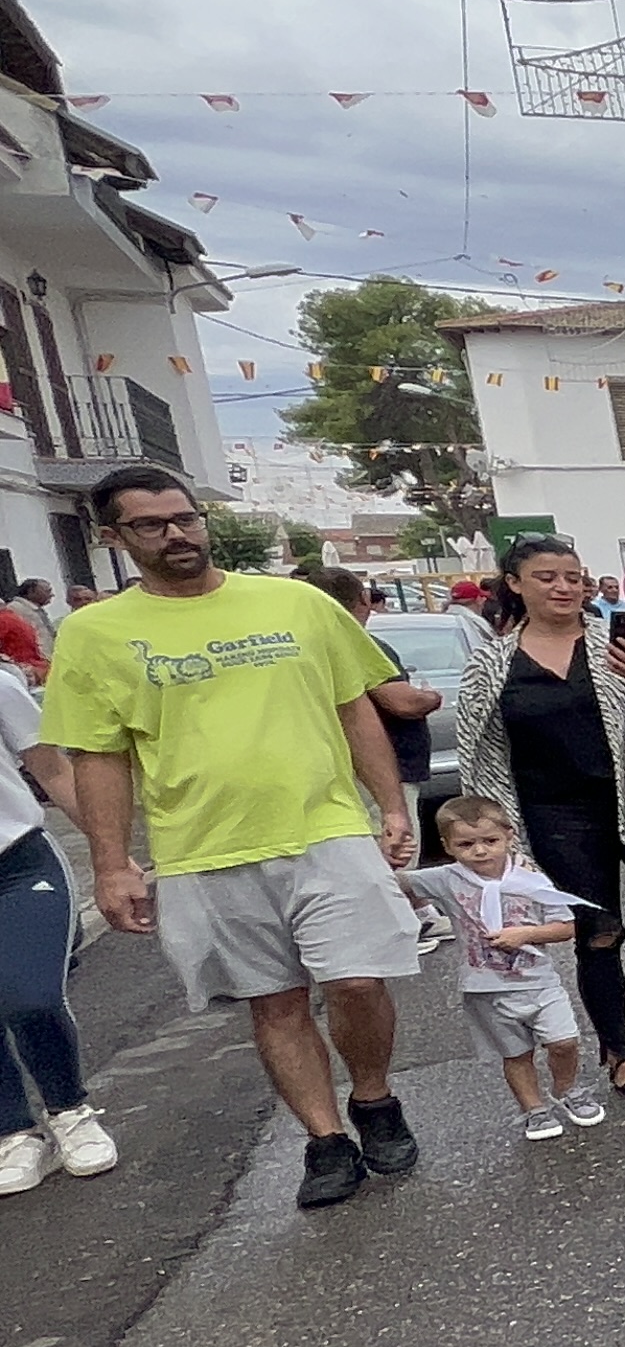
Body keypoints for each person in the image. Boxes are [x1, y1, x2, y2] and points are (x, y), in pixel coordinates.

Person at [43, 465, 419, 1208]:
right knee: (274, 1002)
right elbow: (99, 756)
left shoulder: (296, 603)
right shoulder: (93, 634)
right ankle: (325, 1141)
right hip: (202, 849)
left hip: (326, 827)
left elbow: (355, 709)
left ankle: (373, 1100)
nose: (176, 534)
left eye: (186, 518)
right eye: (151, 525)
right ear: (113, 538)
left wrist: (392, 806)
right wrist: (112, 865)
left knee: (357, 979)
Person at [456, 534, 625, 1099]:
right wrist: (493, 838)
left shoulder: (623, 643)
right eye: (547, 576)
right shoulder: (492, 663)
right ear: (517, 584)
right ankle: (617, 1051)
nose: (564, 587)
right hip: (555, 816)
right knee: (600, 936)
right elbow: (478, 753)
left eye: (572, 576)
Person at [402, 794, 599, 1141]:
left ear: (509, 836)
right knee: (516, 1053)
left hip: (539, 983)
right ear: (447, 846)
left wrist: (526, 934)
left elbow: (567, 926)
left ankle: (566, 1089)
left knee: (564, 1041)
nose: (479, 851)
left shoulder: (530, 879)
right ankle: (533, 1110)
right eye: (466, 844)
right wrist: (392, 857)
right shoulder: (447, 879)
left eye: (490, 841)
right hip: (486, 988)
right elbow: (397, 883)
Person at [0, 660, 114, 1195]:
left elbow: (53, 771)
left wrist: (111, 853)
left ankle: (70, 1110)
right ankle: (15, 1133)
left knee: (32, 998)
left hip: (18, 864)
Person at [313, 568, 442, 843]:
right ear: (363, 599)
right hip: (381, 774)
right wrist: (431, 697)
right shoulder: (356, 643)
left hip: (336, 770)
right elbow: (402, 703)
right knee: (396, 863)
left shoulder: (311, 644)